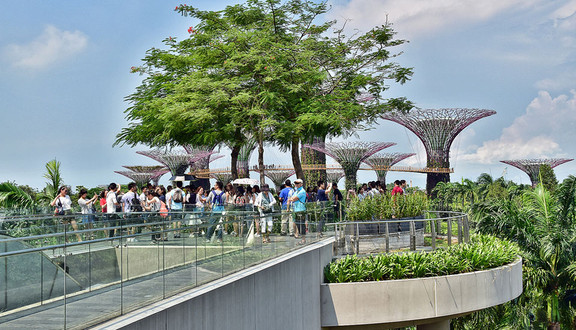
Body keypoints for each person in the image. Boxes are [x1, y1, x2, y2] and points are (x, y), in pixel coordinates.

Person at [288, 179, 307, 244]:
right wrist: (292, 199)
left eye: (298, 183)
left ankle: (303, 239)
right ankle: (302, 238)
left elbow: (293, 199)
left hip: (301, 210)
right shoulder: (297, 191)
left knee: (301, 225)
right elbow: (291, 198)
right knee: (298, 224)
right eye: (295, 183)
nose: (296, 184)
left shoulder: (302, 191)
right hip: (296, 210)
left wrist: (292, 199)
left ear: (301, 184)